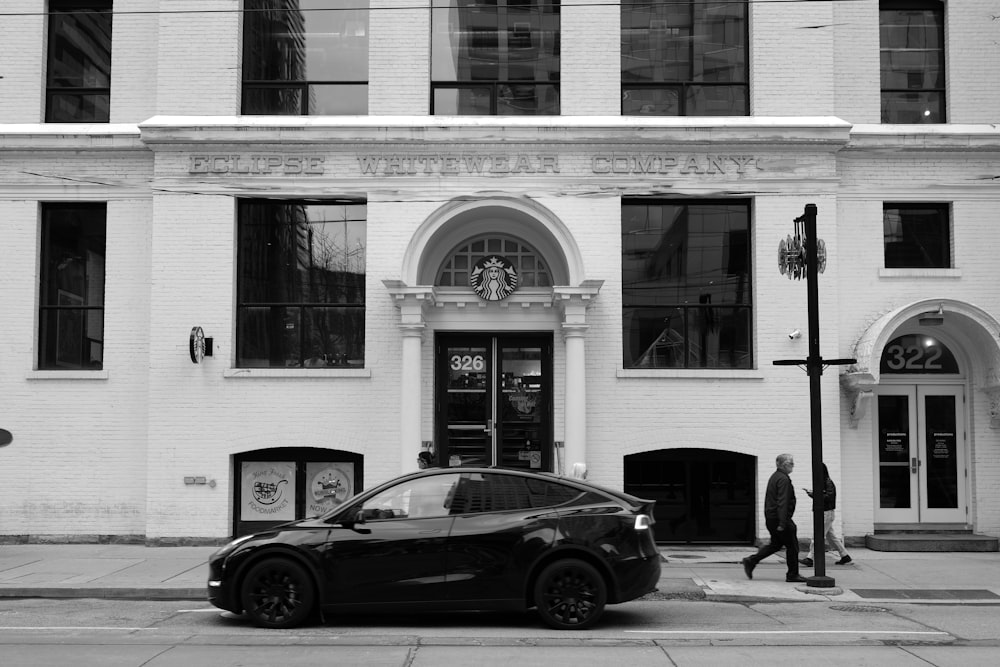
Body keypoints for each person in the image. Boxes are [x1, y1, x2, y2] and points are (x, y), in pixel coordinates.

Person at [742, 453, 805, 582]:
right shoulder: (783, 479)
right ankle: (793, 574)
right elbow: (783, 501)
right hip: (779, 519)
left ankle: (751, 560)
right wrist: (782, 522)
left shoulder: (776, 477)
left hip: (772, 517)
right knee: (792, 546)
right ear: (785, 465)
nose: (793, 466)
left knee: (776, 544)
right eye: (791, 464)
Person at [800, 463, 852, 566]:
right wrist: (813, 493)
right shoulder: (824, 482)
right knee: (831, 537)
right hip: (825, 512)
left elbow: (828, 497)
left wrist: (814, 494)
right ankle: (845, 556)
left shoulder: (828, 482)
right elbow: (824, 496)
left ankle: (810, 558)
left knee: (818, 535)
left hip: (826, 513)